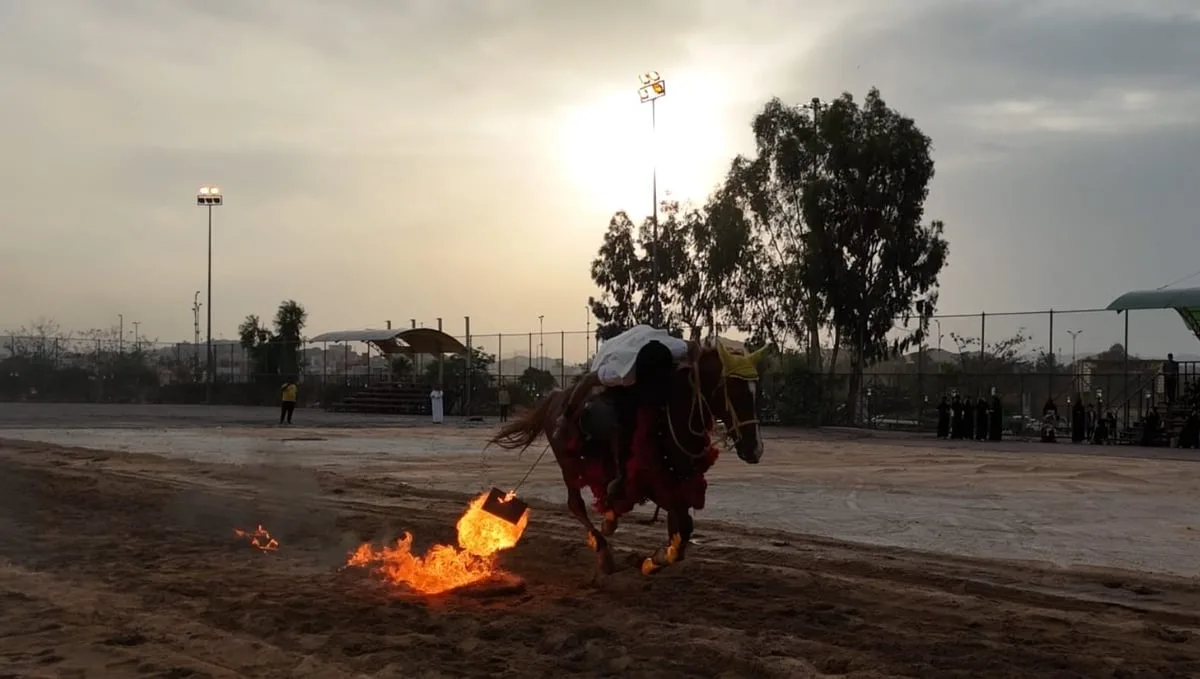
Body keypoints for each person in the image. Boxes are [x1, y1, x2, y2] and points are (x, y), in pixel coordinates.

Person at [607, 340, 676, 504]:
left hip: (658, 392)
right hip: (640, 397)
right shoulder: (618, 370)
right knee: (624, 427)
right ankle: (621, 475)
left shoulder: (676, 349)